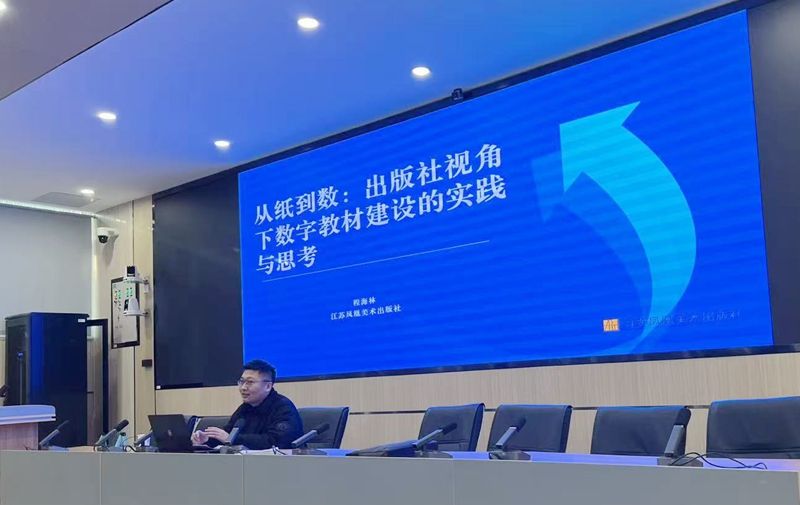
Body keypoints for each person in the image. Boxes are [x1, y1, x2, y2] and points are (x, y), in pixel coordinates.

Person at [191, 359, 303, 450]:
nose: (243, 388)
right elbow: (228, 433)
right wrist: (207, 439)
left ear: (268, 386)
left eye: (250, 382)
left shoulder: (284, 408)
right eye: (241, 382)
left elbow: (276, 441)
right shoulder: (245, 408)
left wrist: (232, 439)